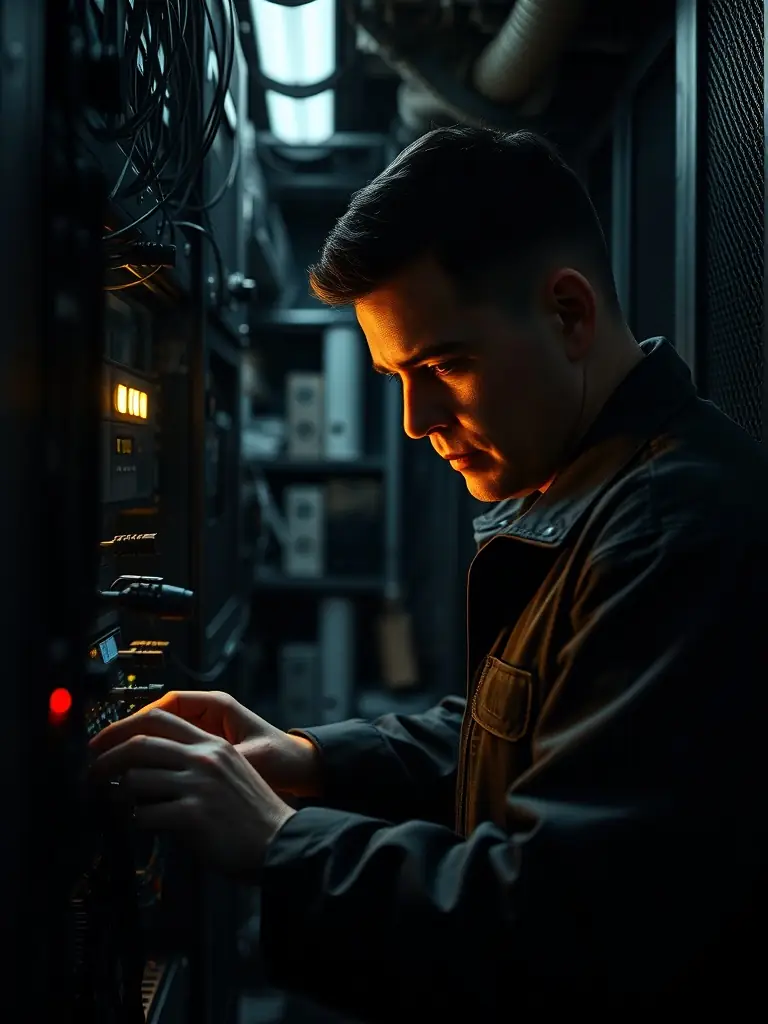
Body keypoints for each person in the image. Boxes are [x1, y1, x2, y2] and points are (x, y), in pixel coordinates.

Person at [90, 126, 768, 1018]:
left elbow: (556, 926)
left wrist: (281, 839)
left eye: (443, 365)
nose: (415, 419)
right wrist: (307, 759)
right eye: (396, 377)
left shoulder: (672, 530)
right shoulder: (609, 489)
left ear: (568, 314)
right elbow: (526, 729)